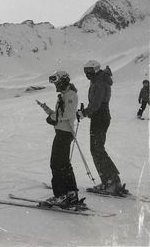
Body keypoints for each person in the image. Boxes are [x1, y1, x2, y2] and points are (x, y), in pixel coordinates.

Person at [76, 60, 126, 195]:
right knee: (98, 149)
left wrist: (83, 113)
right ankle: (113, 181)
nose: (87, 74)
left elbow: (96, 104)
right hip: (101, 117)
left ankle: (109, 182)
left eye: (89, 71)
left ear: (96, 70)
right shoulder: (99, 79)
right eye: (85, 71)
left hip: (100, 117)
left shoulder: (99, 82)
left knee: (96, 149)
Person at [36, 70, 79, 206]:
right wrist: (47, 110)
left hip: (65, 133)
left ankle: (61, 195)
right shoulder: (64, 95)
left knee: (56, 164)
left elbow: (67, 114)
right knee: (64, 164)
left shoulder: (71, 95)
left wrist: (52, 117)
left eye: (57, 83)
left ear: (63, 81)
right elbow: (60, 115)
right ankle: (71, 193)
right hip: (62, 132)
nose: (56, 86)